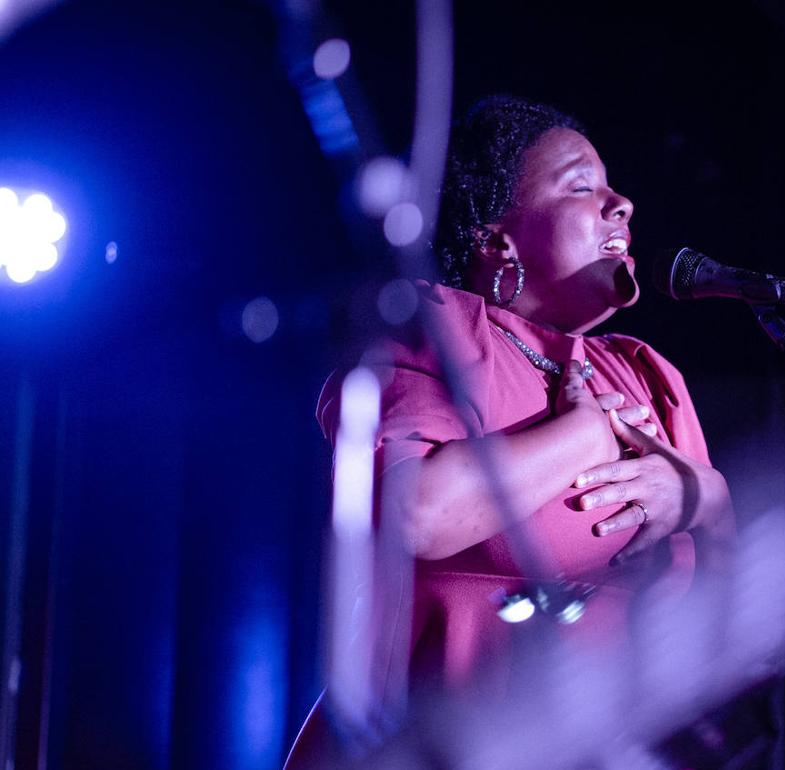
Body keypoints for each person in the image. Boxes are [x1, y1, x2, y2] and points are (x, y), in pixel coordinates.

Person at [286, 95, 736, 767]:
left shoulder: (648, 377)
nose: (623, 206)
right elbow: (413, 513)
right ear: (498, 240)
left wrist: (707, 494)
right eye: (582, 187)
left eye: (614, 189)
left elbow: (729, 602)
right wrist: (587, 435)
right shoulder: (435, 330)